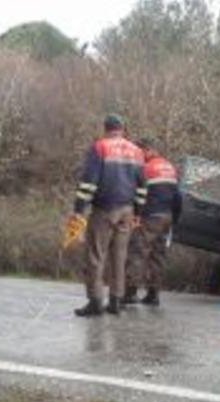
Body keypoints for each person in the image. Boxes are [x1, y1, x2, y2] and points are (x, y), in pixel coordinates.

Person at [69, 114, 146, 316]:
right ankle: (115, 302)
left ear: (105, 128)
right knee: (119, 257)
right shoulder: (137, 151)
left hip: (104, 210)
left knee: (95, 256)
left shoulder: (100, 147)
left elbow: (88, 183)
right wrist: (138, 212)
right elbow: (142, 187)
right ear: (123, 128)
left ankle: (95, 302)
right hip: (127, 211)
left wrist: (78, 210)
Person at [123, 138, 182, 307]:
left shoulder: (146, 169)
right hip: (167, 217)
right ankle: (153, 294)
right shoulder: (169, 167)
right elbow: (178, 197)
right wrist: (175, 219)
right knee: (158, 255)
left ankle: (130, 292)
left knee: (137, 252)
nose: (137, 156)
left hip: (150, 216)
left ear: (147, 150)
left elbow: (136, 195)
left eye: (139, 152)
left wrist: (135, 214)